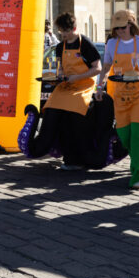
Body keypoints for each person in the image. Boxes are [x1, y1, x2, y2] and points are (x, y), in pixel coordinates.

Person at [29, 12, 102, 169]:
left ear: (74, 28)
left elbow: (98, 68)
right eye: (61, 31)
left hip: (83, 87)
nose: (63, 35)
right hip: (65, 86)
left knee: (74, 114)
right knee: (50, 109)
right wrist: (58, 77)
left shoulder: (86, 44)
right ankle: (47, 145)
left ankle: (79, 158)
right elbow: (60, 69)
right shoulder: (60, 46)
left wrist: (77, 77)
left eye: (65, 31)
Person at [97, 10, 139, 188]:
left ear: (131, 25)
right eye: (116, 27)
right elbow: (106, 67)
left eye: (123, 27)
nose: (119, 30)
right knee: (125, 135)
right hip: (121, 96)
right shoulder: (112, 44)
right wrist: (100, 86)